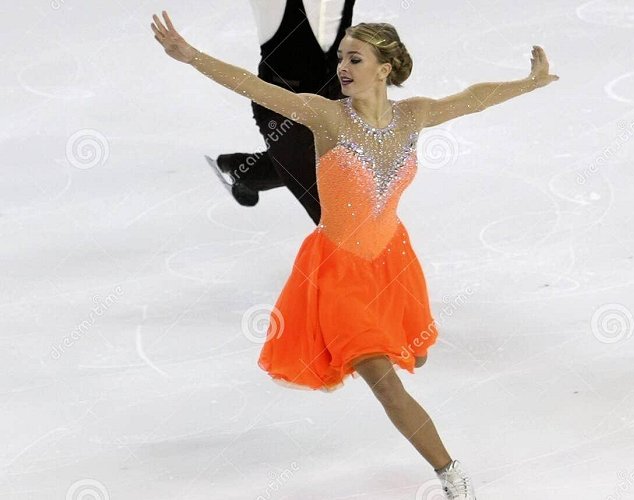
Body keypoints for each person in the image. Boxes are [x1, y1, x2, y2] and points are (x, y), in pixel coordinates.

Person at [151, 10, 558, 499]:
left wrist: (529, 84)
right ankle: (452, 476)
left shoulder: (414, 115)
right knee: (386, 383)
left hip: (393, 263)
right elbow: (253, 88)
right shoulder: (326, 116)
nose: (341, 67)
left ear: (384, 68)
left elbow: (472, 100)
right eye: (341, 56)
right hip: (338, 273)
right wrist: (189, 54)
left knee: (419, 357)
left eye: (354, 58)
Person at [207, 0, 356, 225]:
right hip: (283, 109)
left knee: (339, 172)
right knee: (332, 213)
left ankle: (246, 172)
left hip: (336, 99)